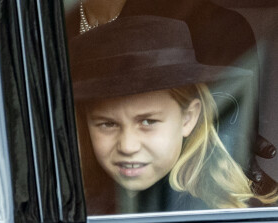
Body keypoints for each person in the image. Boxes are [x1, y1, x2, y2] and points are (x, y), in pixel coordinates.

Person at [65, 0, 277, 195]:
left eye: (148, 121)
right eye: (107, 123)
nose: (128, 145)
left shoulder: (211, 25)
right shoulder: (44, 25)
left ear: (190, 117)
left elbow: (229, 138)